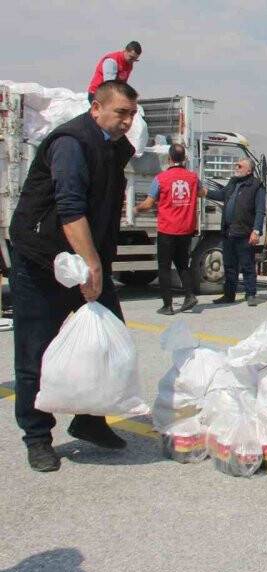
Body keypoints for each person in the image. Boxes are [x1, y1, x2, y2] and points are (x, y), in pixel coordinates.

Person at [9, 81, 139, 472]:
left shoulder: (114, 148)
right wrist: (93, 265)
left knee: (106, 341)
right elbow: (70, 208)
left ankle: (90, 420)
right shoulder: (71, 143)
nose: (127, 121)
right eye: (121, 113)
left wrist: (98, 262)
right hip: (43, 261)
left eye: (132, 114)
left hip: (83, 258)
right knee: (36, 352)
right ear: (96, 108)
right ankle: (37, 437)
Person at [136, 143, 206, 315]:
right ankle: (189, 295)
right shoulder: (193, 178)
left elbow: (148, 204)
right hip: (186, 230)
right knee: (182, 264)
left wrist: (135, 209)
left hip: (167, 230)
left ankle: (167, 305)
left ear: (169, 158)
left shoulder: (160, 178)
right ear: (185, 159)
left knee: (164, 267)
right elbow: (202, 192)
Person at [205, 159, 266, 307]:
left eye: (240, 166)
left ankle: (250, 294)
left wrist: (256, 231)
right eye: (236, 165)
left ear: (249, 170)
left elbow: (260, 211)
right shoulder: (233, 182)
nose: (236, 167)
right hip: (228, 231)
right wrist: (205, 193)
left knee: (247, 265)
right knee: (229, 266)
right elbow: (222, 195)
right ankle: (229, 295)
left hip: (244, 232)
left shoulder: (256, 186)